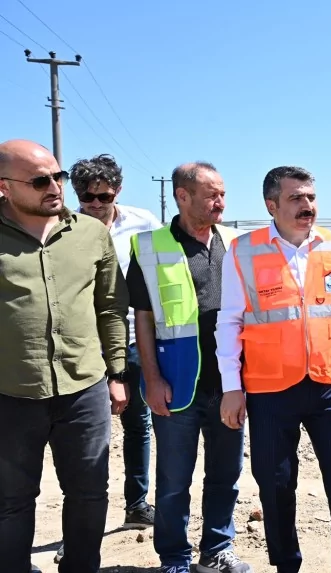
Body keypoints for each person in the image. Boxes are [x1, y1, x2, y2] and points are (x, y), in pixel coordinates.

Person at [217, 166, 331, 573]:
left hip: (330, 381)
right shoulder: (243, 250)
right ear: (272, 205)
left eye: (311, 197)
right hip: (269, 388)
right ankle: (286, 564)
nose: (307, 206)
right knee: (276, 482)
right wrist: (232, 387)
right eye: (296, 198)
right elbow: (229, 320)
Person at [0, 139, 129, 573]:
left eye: (57, 176)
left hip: (84, 388)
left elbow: (110, 307)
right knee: (11, 500)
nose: (55, 187)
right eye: (40, 181)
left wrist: (116, 372)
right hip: (11, 392)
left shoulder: (91, 234)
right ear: (4, 186)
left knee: (90, 493)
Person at [126, 161, 251, 573]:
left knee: (225, 475)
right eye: (212, 195)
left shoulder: (235, 242)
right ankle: (175, 558)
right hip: (176, 383)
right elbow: (143, 318)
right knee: (174, 480)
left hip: (228, 383)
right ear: (183, 196)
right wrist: (151, 378)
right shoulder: (149, 247)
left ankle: (217, 550)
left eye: (223, 194)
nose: (221, 202)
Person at [46, 154, 163, 564]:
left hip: (136, 340)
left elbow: (160, 277)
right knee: (84, 439)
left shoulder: (144, 224)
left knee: (139, 425)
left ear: (118, 191)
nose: (95, 204)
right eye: (87, 197)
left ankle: (137, 503)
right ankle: (80, 530)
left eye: (104, 196)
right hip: (84, 347)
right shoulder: (60, 228)